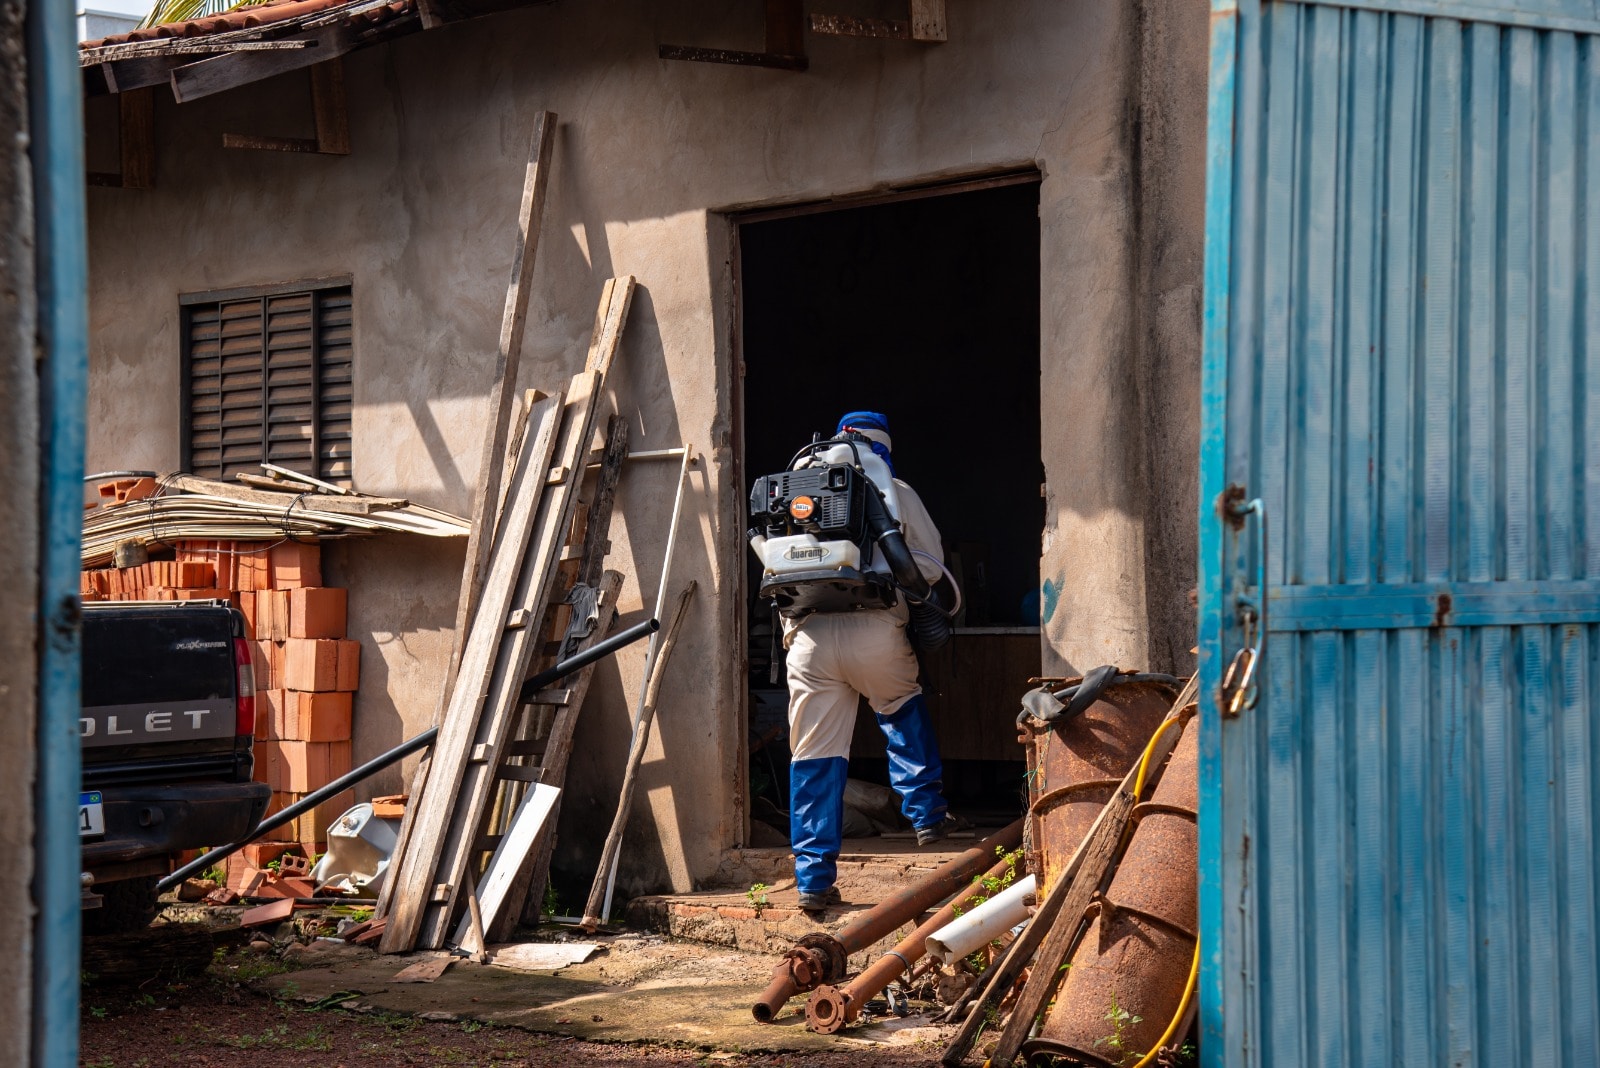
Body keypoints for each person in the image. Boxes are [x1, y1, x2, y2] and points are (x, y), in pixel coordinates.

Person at [782, 410, 960, 911]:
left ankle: (813, 879)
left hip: (810, 635)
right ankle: (926, 817)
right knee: (900, 704)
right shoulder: (893, 488)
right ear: (883, 445)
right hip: (875, 625)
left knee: (814, 756)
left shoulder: (802, 487)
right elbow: (929, 561)